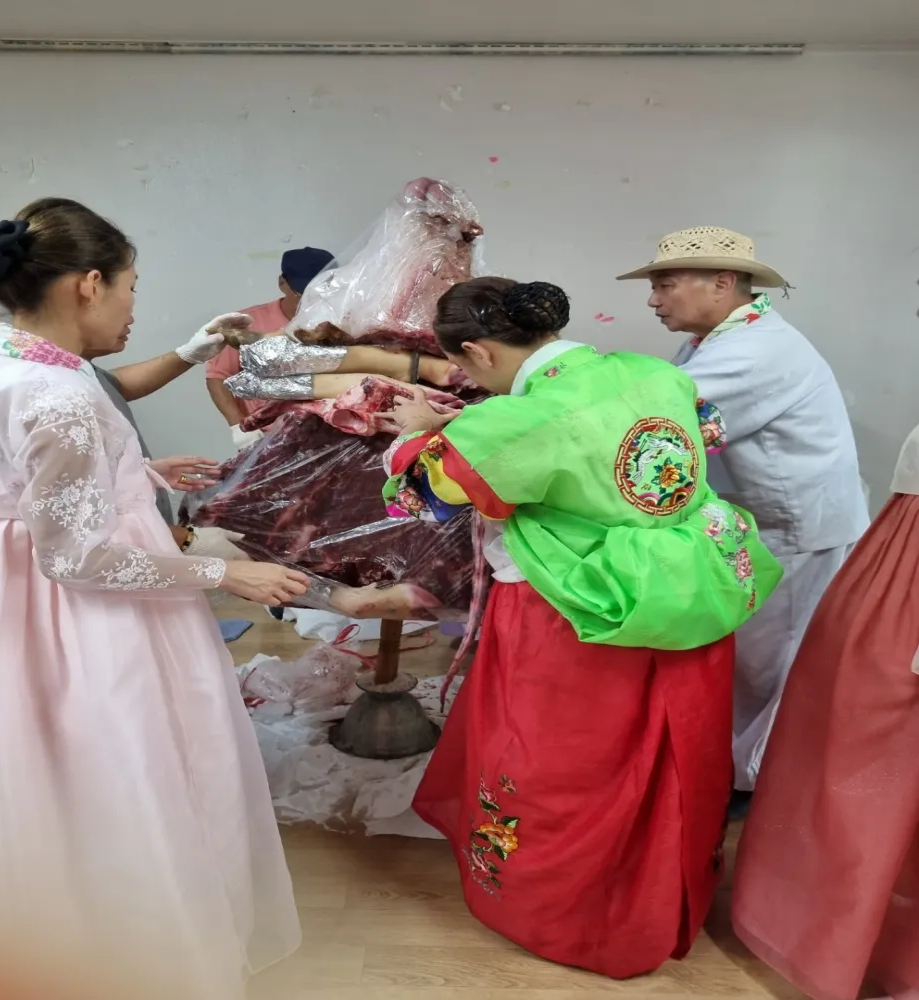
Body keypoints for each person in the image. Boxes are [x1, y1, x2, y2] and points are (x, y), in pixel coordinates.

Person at [0, 198, 310, 999]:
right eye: (131, 287)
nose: (135, 307)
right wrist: (225, 576)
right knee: (113, 760)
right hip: (69, 612)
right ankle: (127, 946)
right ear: (89, 285)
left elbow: (14, 483)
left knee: (24, 761)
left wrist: (138, 472)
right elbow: (76, 557)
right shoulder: (56, 394)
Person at [379, 277, 783, 979]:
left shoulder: (517, 421)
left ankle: (567, 916)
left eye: (465, 365)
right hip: (687, 591)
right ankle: (658, 894)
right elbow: (708, 433)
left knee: (560, 768)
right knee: (672, 756)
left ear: (478, 352)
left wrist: (419, 432)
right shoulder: (655, 373)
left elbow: (421, 497)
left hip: (577, 615)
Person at [617, 227, 869, 809]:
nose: (654, 300)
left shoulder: (756, 350)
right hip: (766, 522)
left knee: (773, 665)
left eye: (665, 285)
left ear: (723, 282)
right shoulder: (718, 340)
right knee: (755, 661)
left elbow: (656, 420)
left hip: (793, 529)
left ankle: (759, 784)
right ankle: (740, 769)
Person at [730, 423, 919, 1000]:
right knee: (861, 759)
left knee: (883, 768)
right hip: (900, 564)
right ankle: (854, 936)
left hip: (899, 578)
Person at [87, 313, 255, 559]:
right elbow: (70, 516)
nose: (131, 317)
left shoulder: (74, 370)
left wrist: (187, 355)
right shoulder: (46, 388)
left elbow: (110, 385)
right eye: (130, 292)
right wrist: (183, 538)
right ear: (88, 292)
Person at [205, 246, 334, 448]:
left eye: (323, 292)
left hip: (332, 431)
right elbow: (217, 377)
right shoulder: (246, 323)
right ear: (282, 283)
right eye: (303, 293)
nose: (313, 300)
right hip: (270, 437)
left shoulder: (342, 322)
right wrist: (238, 426)